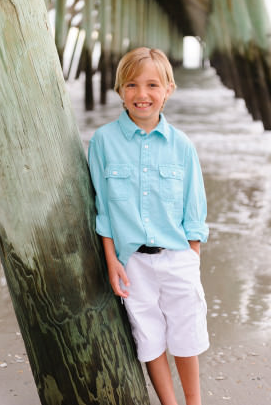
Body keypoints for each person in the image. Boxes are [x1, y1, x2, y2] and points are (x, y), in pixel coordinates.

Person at [88, 47, 209, 405]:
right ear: (119, 91)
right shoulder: (103, 142)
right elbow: (103, 210)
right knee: (149, 337)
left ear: (168, 89)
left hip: (177, 258)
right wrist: (112, 260)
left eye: (152, 85)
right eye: (132, 85)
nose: (142, 95)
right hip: (132, 263)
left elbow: (194, 210)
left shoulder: (182, 146)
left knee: (186, 336)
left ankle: (194, 402)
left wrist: (191, 259)